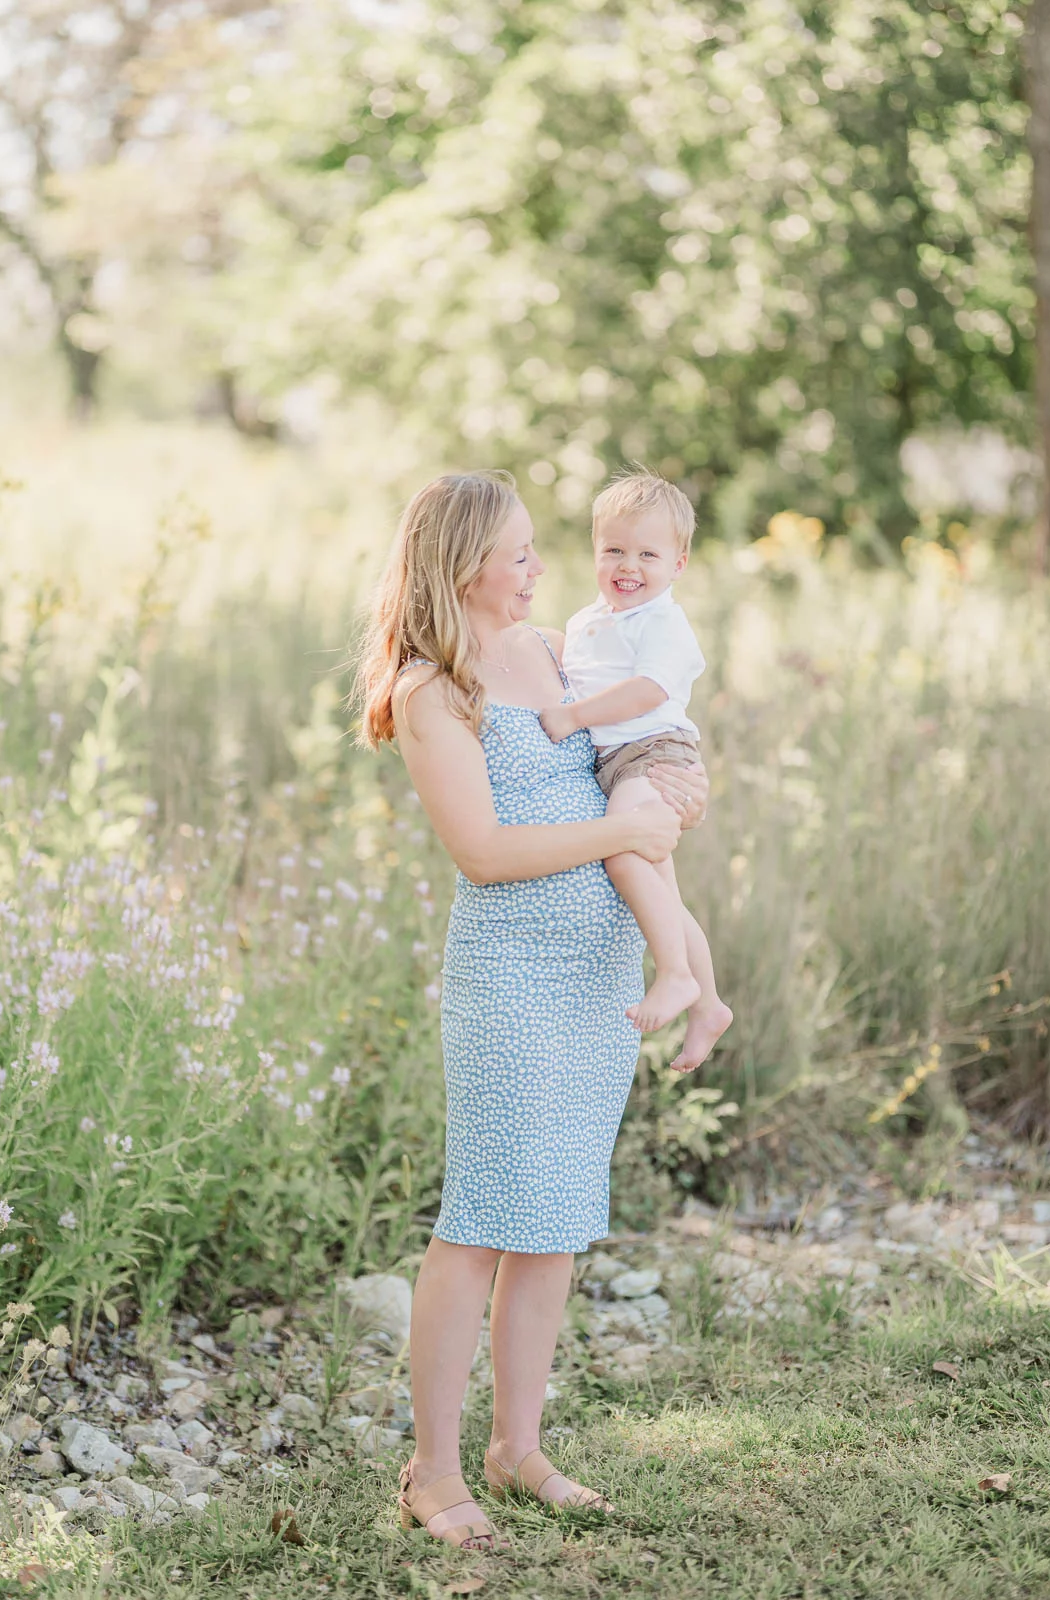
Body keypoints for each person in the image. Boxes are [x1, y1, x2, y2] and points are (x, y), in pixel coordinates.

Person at [355, 469, 708, 1552]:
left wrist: (673, 808)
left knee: (552, 1222)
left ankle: (517, 1445)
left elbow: (646, 754)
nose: (538, 568)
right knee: (479, 1224)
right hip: (511, 981)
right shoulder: (431, 690)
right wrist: (625, 834)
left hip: (599, 974)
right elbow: (488, 852)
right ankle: (436, 1469)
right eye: (516, 554)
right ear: (463, 566)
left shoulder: (558, 650)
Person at [540, 471, 733, 1073]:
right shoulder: (585, 622)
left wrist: (573, 717)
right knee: (665, 899)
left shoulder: (663, 624)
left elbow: (647, 692)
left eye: (648, 554)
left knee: (623, 853)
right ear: (594, 552)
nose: (629, 565)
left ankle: (675, 975)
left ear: (678, 564)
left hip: (653, 754)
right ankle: (710, 1006)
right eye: (614, 550)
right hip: (619, 765)